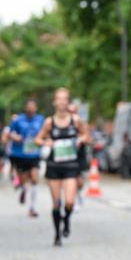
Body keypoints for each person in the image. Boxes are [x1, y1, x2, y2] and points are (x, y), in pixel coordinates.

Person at [35, 88, 88, 246]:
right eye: (59, 99)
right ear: (54, 102)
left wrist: (80, 139)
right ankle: (57, 234)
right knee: (56, 203)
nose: (62, 102)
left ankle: (67, 219)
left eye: (65, 99)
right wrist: (46, 142)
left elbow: (87, 135)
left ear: (68, 101)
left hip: (71, 165)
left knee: (69, 202)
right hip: (54, 166)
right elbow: (37, 139)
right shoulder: (49, 122)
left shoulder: (76, 120)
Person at [4, 98, 45, 218]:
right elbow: (9, 133)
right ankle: (23, 189)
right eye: (29, 107)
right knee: (23, 180)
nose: (31, 109)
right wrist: (15, 136)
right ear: (25, 108)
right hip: (20, 154)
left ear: (36, 109)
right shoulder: (18, 120)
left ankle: (32, 208)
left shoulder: (40, 120)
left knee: (34, 178)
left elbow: (45, 132)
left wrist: (42, 140)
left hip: (34, 154)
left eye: (33, 107)